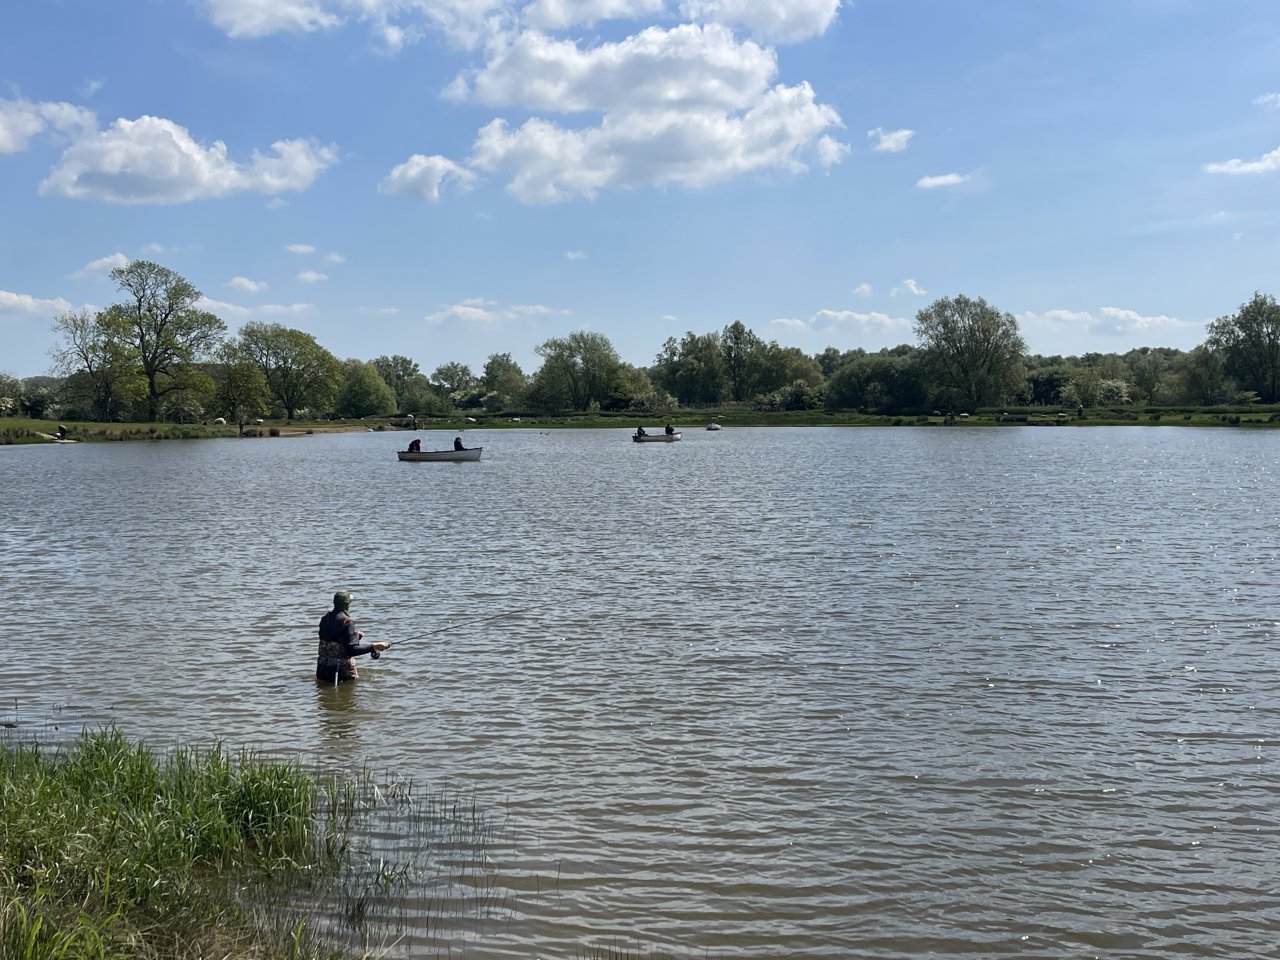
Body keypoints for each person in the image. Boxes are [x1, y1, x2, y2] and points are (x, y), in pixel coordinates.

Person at [316, 590, 389, 684]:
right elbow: (352, 650)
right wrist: (374, 646)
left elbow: (333, 640)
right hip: (341, 672)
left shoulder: (325, 619)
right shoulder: (347, 622)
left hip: (322, 670)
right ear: (347, 604)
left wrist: (355, 636)